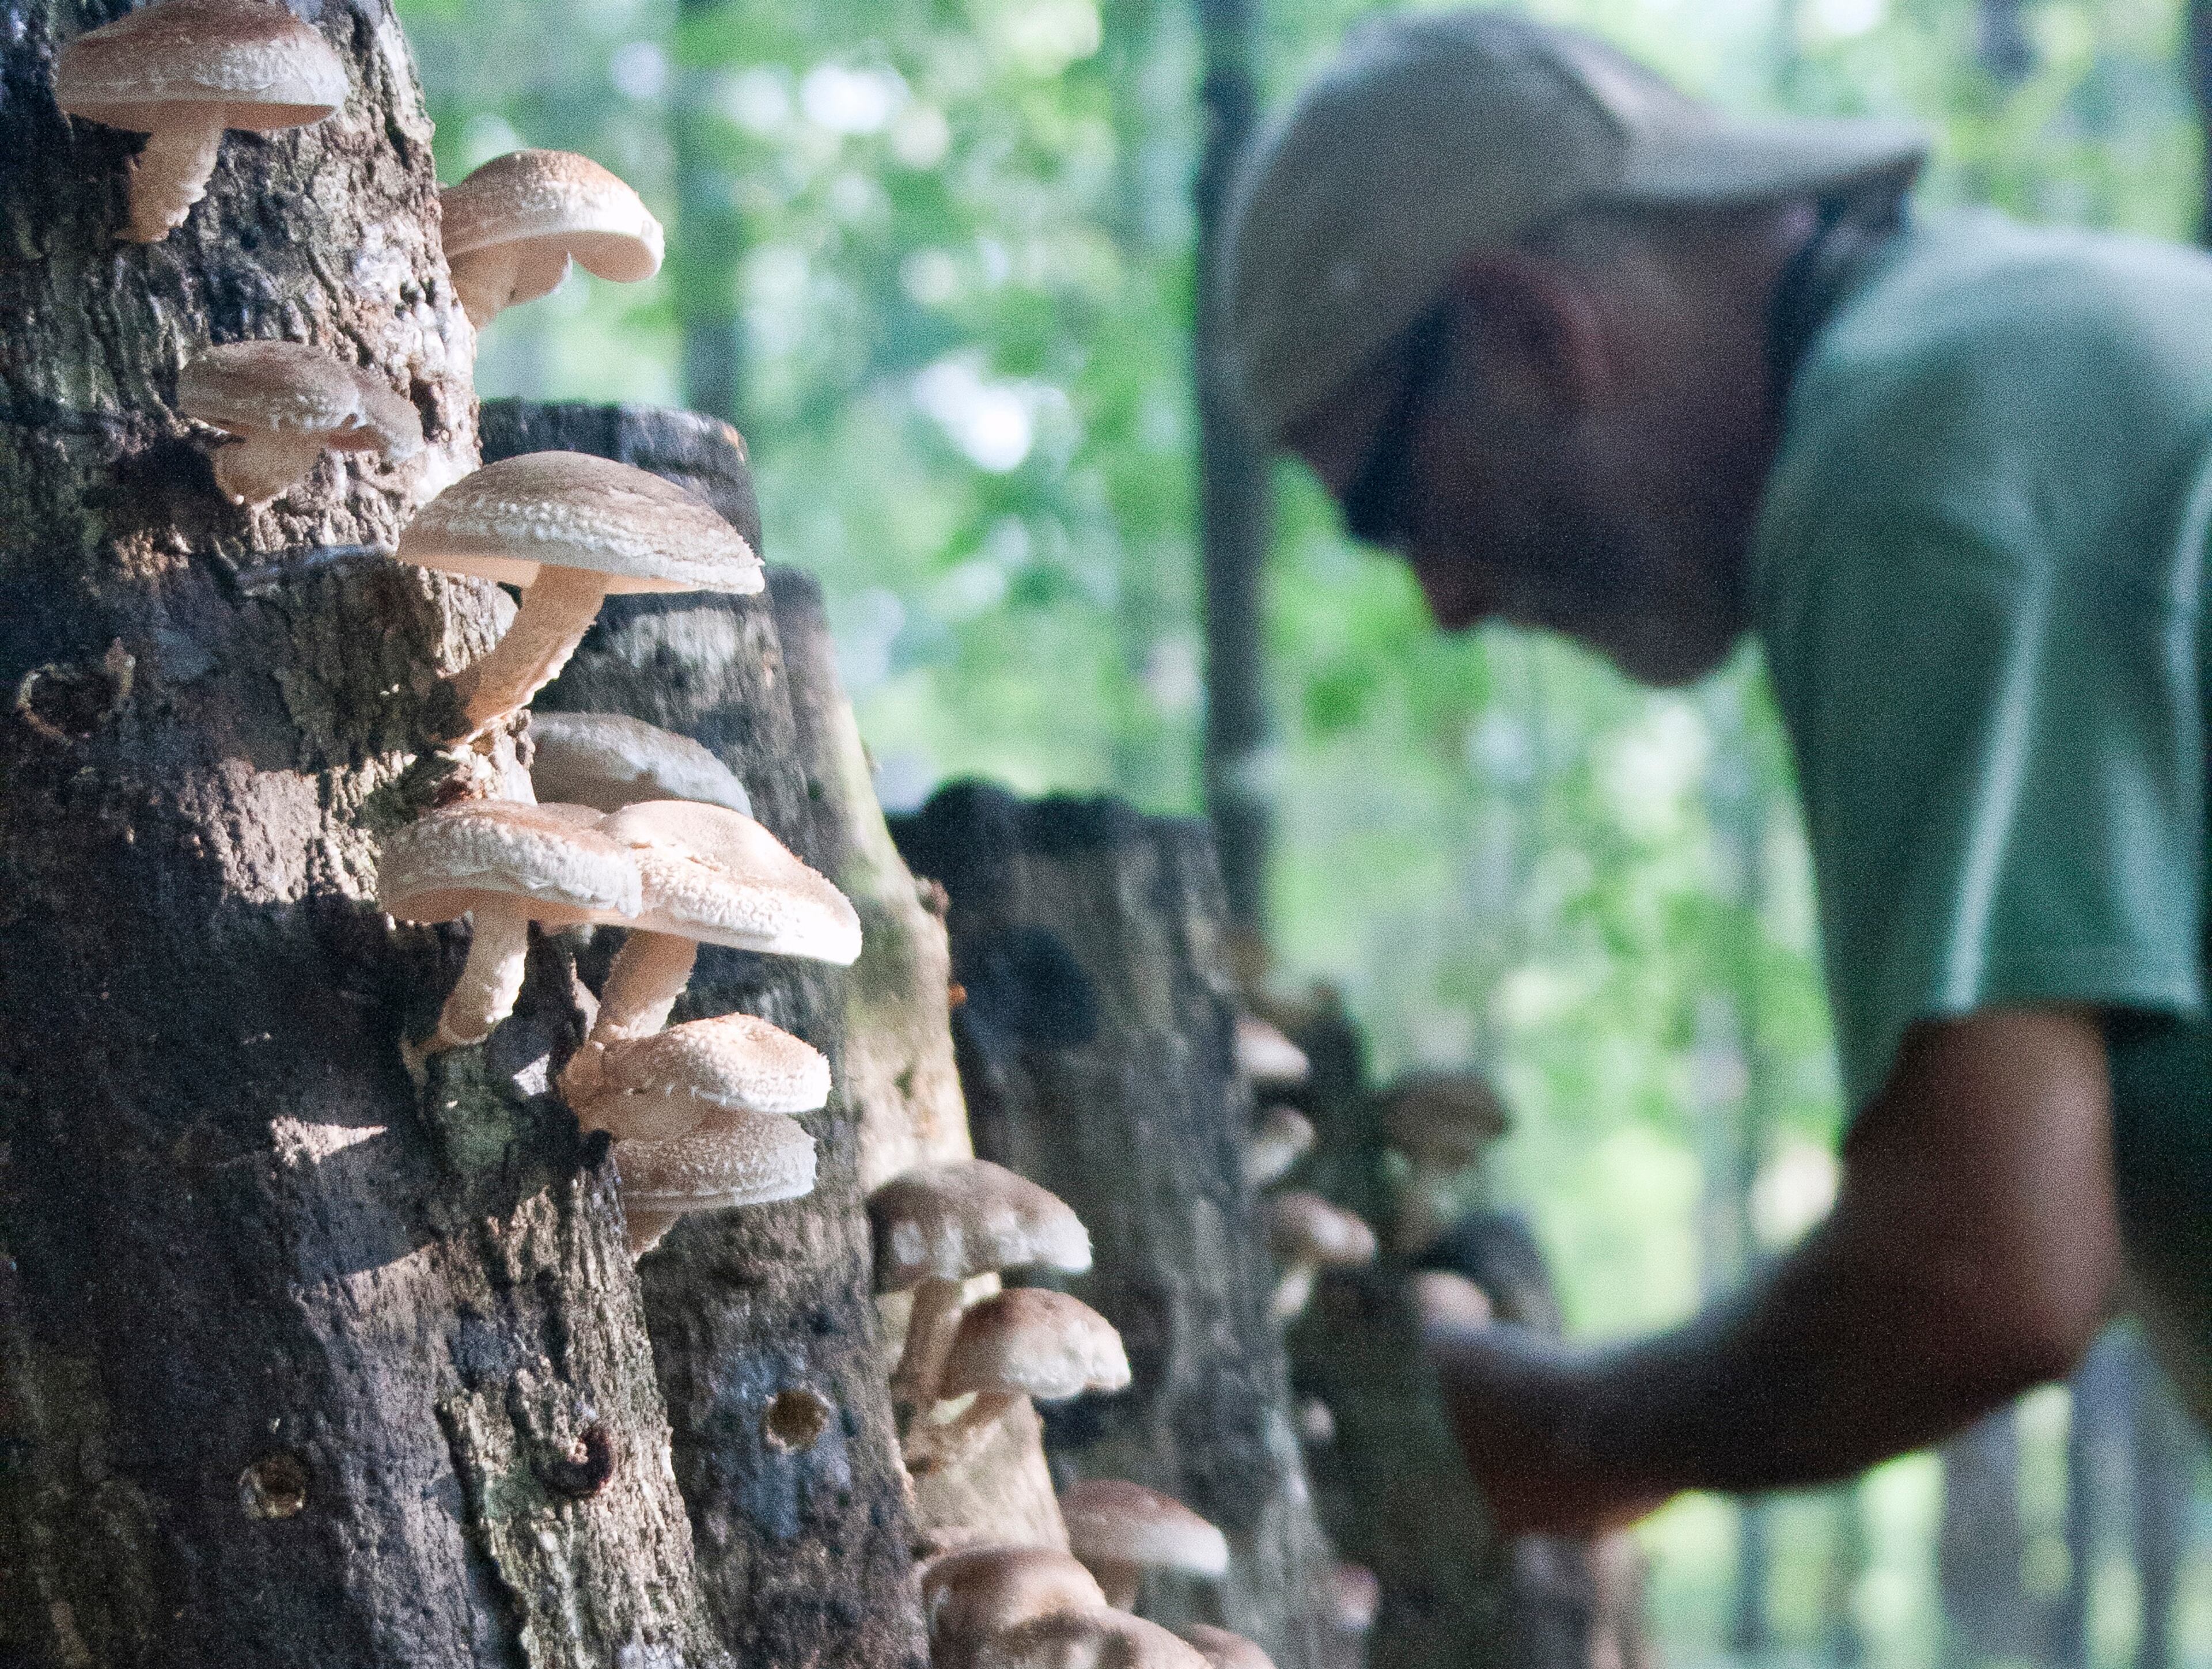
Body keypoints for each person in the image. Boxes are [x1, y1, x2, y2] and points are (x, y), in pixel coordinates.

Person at [1221, 10, 2212, 1536]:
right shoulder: (2026, 351)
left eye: (1390, 503)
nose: (1445, 598)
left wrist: (1552, 1425)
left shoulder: (1930, 458)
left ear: (1529, 326)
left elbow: (1981, 1268)